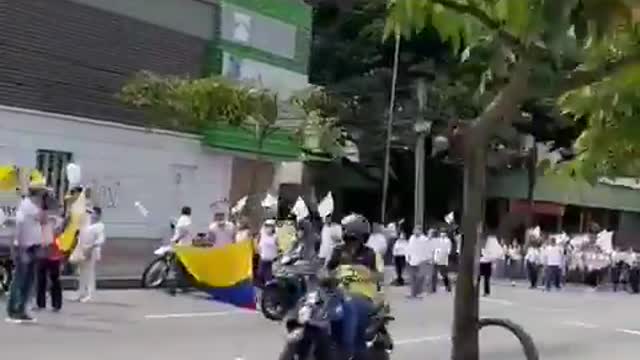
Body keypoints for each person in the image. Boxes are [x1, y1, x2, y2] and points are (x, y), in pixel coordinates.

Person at [326, 214, 378, 360]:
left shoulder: (369, 253)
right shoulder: (337, 250)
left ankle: (351, 352)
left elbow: (373, 275)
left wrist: (350, 271)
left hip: (361, 298)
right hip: (338, 295)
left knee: (354, 331)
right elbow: (327, 269)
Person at [6, 181, 46, 323]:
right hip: (25, 247)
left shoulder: (33, 206)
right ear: (38, 192)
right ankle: (13, 311)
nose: (44, 195)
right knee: (20, 280)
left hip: (33, 246)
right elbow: (18, 229)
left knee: (29, 281)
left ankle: (22, 309)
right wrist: (20, 249)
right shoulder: (27, 206)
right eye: (43, 192)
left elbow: (39, 224)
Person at [36, 189, 63, 312]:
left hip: (53, 251)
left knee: (53, 278)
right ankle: (42, 303)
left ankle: (55, 303)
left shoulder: (56, 218)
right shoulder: (41, 215)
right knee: (42, 278)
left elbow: (58, 231)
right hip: (44, 251)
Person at [75, 206, 105, 302]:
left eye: (94, 213)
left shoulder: (100, 226)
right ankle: (81, 293)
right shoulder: (86, 224)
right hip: (83, 249)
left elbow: (101, 239)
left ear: (98, 215)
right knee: (81, 272)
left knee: (89, 272)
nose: (92, 215)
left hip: (91, 251)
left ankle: (89, 293)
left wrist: (92, 246)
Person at [406, 225, 429, 298]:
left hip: (421, 260)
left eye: (417, 230)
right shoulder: (411, 238)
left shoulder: (424, 239)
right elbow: (409, 248)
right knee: (412, 278)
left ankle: (419, 292)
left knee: (420, 277)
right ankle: (413, 293)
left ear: (420, 231)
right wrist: (407, 257)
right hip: (412, 260)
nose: (415, 232)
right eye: (414, 230)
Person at [257, 219, 279, 286]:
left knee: (267, 269)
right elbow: (258, 244)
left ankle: (268, 280)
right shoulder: (262, 234)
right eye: (267, 226)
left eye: (271, 227)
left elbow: (277, 246)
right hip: (263, 257)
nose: (269, 228)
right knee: (260, 272)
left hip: (270, 258)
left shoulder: (274, 237)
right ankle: (266, 280)